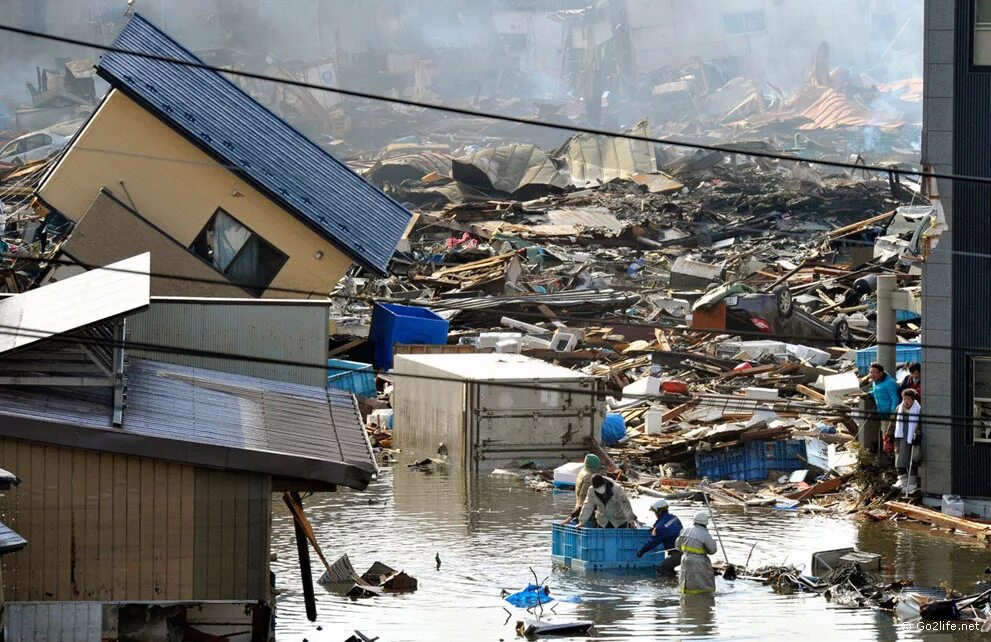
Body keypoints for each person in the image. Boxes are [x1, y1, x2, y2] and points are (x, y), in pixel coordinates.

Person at [635, 499, 683, 577]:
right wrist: (655, 528)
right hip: (683, 552)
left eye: (655, 512)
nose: (655, 514)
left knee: (661, 570)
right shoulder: (674, 518)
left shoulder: (661, 527)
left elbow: (652, 542)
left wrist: (641, 552)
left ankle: (668, 586)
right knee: (669, 569)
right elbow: (667, 528)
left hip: (677, 554)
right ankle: (673, 582)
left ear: (659, 512)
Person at [676, 512, 718, 595]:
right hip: (699, 562)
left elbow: (678, 546)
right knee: (703, 582)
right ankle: (703, 600)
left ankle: (686, 600)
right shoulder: (705, 534)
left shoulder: (685, 530)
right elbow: (713, 550)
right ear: (705, 523)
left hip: (685, 559)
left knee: (685, 580)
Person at [893, 389, 922, 492]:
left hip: (913, 439)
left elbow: (920, 426)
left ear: (913, 400)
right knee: (900, 460)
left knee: (912, 460)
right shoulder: (899, 408)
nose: (906, 401)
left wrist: (918, 436)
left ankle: (912, 483)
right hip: (901, 437)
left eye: (908, 399)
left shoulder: (918, 410)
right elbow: (892, 422)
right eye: (904, 399)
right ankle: (903, 481)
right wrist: (888, 434)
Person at [869, 363, 900, 454]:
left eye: (875, 373)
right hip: (882, 414)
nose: (872, 375)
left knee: (890, 435)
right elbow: (877, 392)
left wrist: (893, 414)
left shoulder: (890, 383)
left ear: (881, 373)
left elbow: (895, 399)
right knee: (885, 433)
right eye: (871, 372)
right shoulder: (876, 382)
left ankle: (892, 455)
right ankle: (887, 453)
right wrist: (867, 394)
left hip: (889, 414)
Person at [562, 454, 602, 523]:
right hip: (586, 512)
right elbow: (585, 499)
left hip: (579, 508)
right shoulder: (589, 477)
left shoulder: (583, 471)